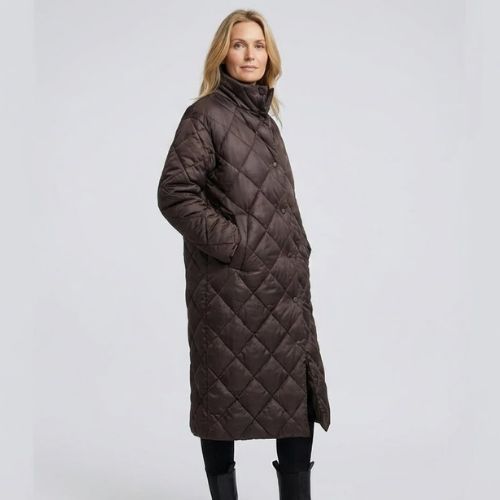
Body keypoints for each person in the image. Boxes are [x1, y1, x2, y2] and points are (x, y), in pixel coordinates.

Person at [157, 9, 331, 500]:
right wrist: (237, 244)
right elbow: (175, 193)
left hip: (283, 292)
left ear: (269, 55)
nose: (250, 54)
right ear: (223, 53)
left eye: (258, 45)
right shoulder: (205, 115)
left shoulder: (266, 121)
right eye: (239, 44)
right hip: (229, 291)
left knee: (296, 400)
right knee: (222, 399)